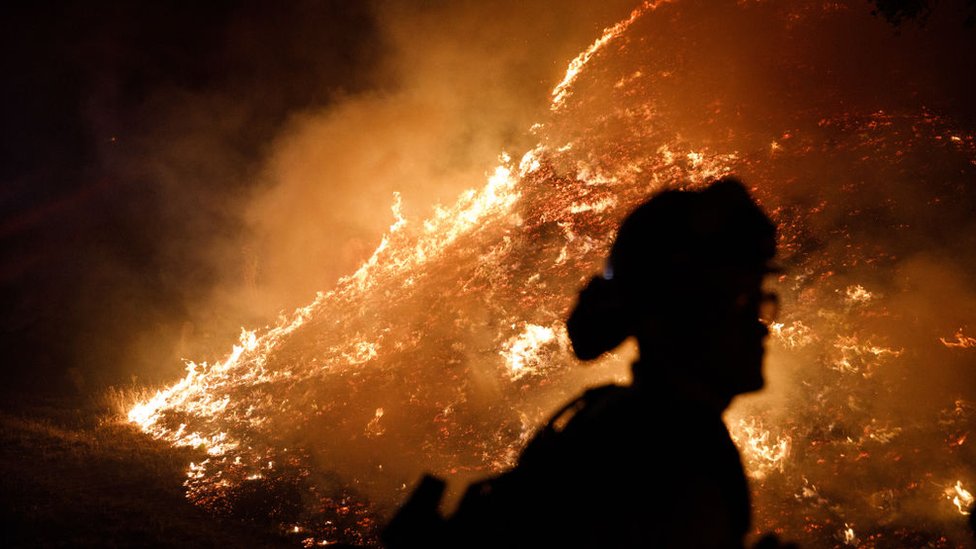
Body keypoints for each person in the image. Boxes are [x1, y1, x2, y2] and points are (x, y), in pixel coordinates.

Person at [385, 177, 785, 548]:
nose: (761, 327)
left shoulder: (623, 429)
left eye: (759, 302)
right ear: (675, 315)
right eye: (741, 302)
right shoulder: (661, 460)